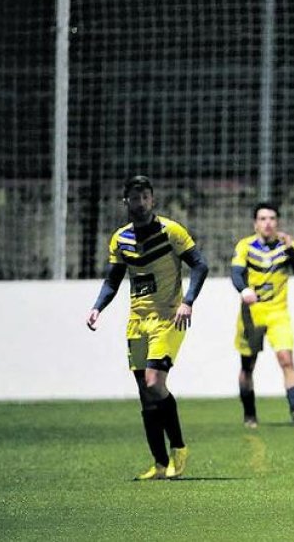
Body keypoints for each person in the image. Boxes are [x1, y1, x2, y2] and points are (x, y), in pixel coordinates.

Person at [85, 175, 209, 480]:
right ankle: (159, 462)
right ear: (125, 201)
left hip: (169, 318)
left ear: (152, 200)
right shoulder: (120, 239)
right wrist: (97, 307)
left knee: (155, 383)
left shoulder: (171, 231)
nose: (140, 203)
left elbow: (200, 264)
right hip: (137, 323)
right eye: (134, 198)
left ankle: (179, 448)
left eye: (145, 197)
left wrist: (188, 301)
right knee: (144, 392)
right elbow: (113, 279)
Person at [231, 202, 294, 428]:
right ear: (255, 223)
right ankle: (250, 414)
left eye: (272, 219)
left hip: (278, 312)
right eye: (263, 219)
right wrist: (244, 290)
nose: (268, 223)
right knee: (248, 365)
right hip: (252, 314)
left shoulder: (286, 245)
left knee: (286, 359)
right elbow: (236, 273)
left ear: (277, 222)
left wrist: (291, 254)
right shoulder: (245, 246)